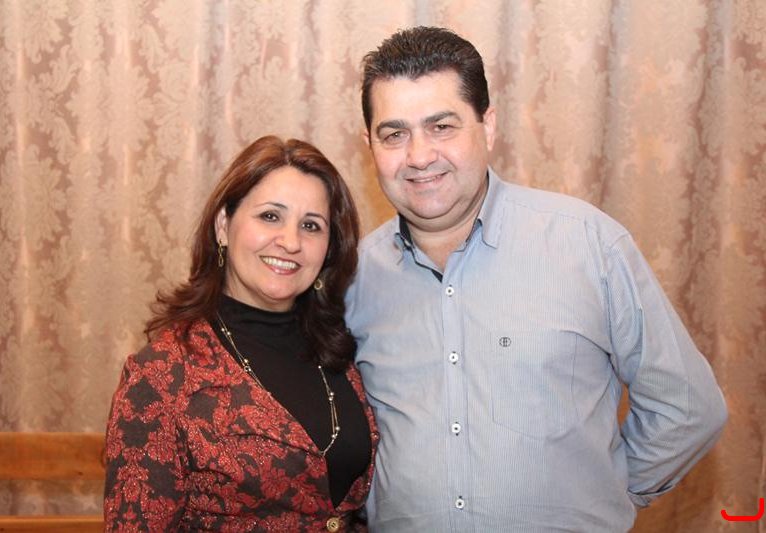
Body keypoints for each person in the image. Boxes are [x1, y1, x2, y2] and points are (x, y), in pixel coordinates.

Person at [346, 26, 727, 532]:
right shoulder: (351, 278)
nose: (418, 156)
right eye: (395, 134)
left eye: (442, 126)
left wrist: (609, 491)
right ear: (370, 144)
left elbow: (688, 406)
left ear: (488, 126)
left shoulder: (587, 244)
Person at [104, 135, 378, 532]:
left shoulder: (339, 350)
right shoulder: (161, 376)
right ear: (223, 225)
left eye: (311, 225)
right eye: (270, 216)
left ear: (329, 248)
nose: (290, 242)